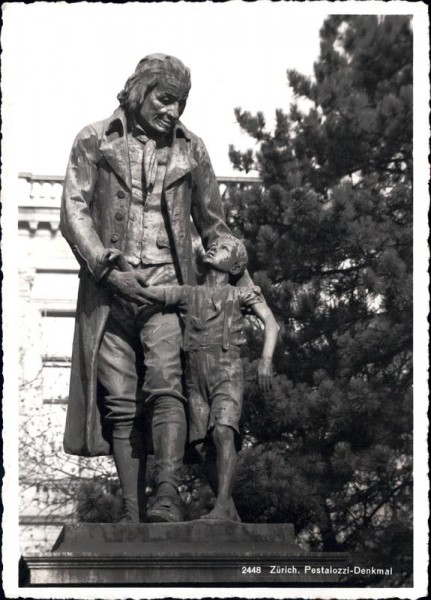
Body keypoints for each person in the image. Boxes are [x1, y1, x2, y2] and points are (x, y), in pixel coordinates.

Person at [60, 54, 252, 523]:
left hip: (166, 288)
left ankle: (166, 494)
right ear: (140, 91)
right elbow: (74, 211)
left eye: (181, 104)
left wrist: (234, 262)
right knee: (120, 402)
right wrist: (106, 267)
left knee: (166, 387)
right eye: (166, 99)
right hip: (109, 292)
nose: (173, 111)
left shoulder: (194, 150)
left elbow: (214, 227)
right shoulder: (94, 139)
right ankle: (131, 508)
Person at [137, 235, 279, 521]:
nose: (214, 248)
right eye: (214, 245)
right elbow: (149, 293)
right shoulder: (189, 293)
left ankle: (223, 505)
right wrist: (121, 274)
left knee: (223, 431)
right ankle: (228, 511)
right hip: (196, 376)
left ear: (236, 266)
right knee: (203, 447)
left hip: (226, 370)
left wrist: (265, 360)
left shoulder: (241, 294)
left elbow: (271, 323)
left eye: (224, 248)